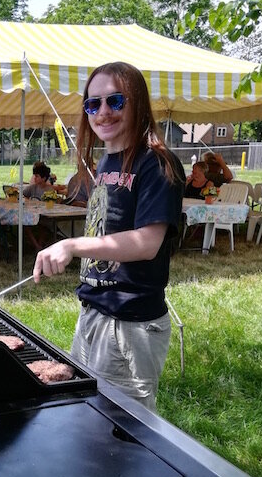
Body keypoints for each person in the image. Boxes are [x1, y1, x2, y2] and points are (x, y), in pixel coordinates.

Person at [33, 61, 185, 412]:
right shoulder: (106, 162)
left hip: (130, 323)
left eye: (115, 101)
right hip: (94, 311)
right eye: (92, 104)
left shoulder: (157, 164)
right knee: (86, 413)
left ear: (137, 103)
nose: (102, 112)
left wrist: (71, 245)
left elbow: (148, 243)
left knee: (123, 428)